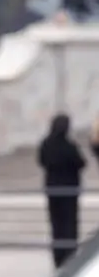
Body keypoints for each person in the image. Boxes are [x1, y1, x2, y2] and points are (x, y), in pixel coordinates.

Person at [38, 113, 86, 269]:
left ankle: (58, 256)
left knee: (56, 224)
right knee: (69, 224)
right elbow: (80, 163)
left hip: (53, 188)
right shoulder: (69, 146)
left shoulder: (46, 144)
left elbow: (41, 161)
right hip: (69, 190)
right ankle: (69, 255)